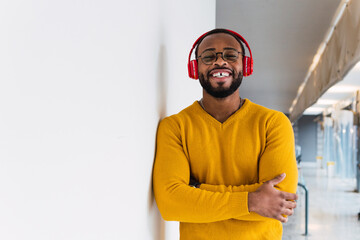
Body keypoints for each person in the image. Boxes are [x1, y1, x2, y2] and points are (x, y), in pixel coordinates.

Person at [153, 28, 298, 239]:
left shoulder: (273, 124)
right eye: (208, 56)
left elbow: (280, 203)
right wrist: (252, 201)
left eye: (230, 55)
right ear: (195, 68)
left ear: (245, 65)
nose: (219, 62)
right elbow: (171, 204)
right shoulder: (175, 127)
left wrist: (197, 190)